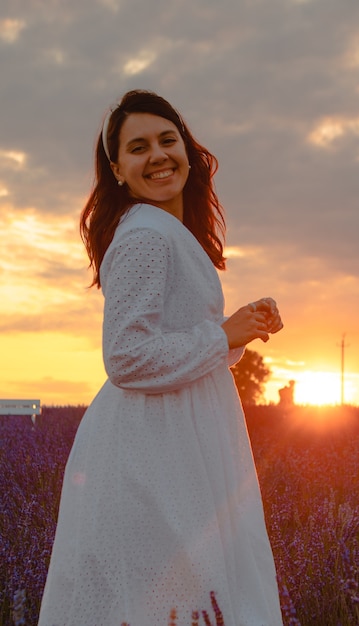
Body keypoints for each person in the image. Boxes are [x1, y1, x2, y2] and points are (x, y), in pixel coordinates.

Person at [38, 90, 284, 625]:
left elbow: (169, 342)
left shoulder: (168, 232)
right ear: (118, 170)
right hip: (155, 453)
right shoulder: (146, 234)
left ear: (189, 152)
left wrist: (238, 329)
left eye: (167, 140)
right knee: (176, 595)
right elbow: (126, 357)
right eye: (138, 147)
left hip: (176, 439)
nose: (158, 155)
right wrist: (222, 337)